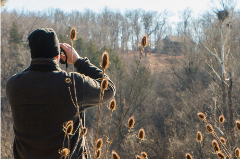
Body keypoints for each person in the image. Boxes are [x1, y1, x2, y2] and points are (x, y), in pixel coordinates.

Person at [6, 28, 115, 159]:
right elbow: (108, 88)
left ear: (32, 54)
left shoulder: (13, 85)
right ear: (58, 56)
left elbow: (30, 74)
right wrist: (78, 61)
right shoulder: (72, 84)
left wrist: (36, 62)